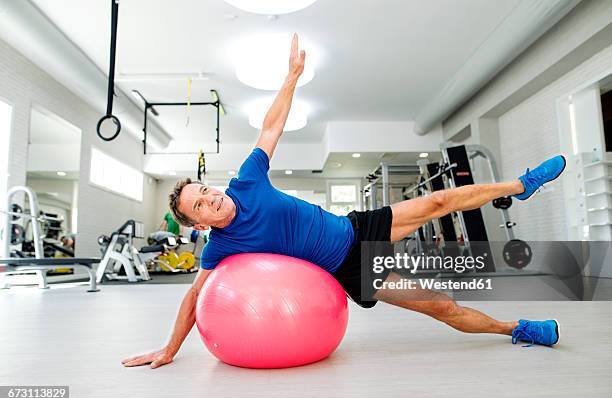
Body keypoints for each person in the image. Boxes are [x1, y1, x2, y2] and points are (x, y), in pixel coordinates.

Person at [122, 34, 565, 369]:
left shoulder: (246, 181)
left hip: (357, 227)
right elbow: (195, 298)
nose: (210, 200)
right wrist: (170, 349)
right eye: (199, 206)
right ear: (198, 225)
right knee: (441, 305)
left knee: (439, 201)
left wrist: (291, 77)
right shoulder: (221, 247)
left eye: (205, 191)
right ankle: (519, 329)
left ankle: (520, 185)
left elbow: (271, 127)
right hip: (350, 269)